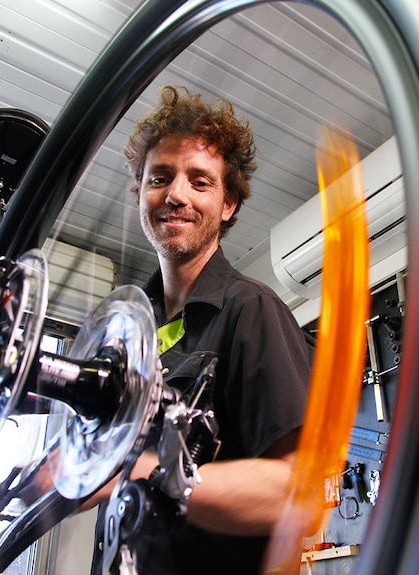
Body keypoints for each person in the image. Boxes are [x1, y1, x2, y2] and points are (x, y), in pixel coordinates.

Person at [28, 85, 312, 575]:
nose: (176, 194)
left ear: (228, 205)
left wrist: (136, 470)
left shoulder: (251, 310)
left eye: (200, 181)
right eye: (160, 177)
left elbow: (297, 492)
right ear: (140, 193)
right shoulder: (128, 333)